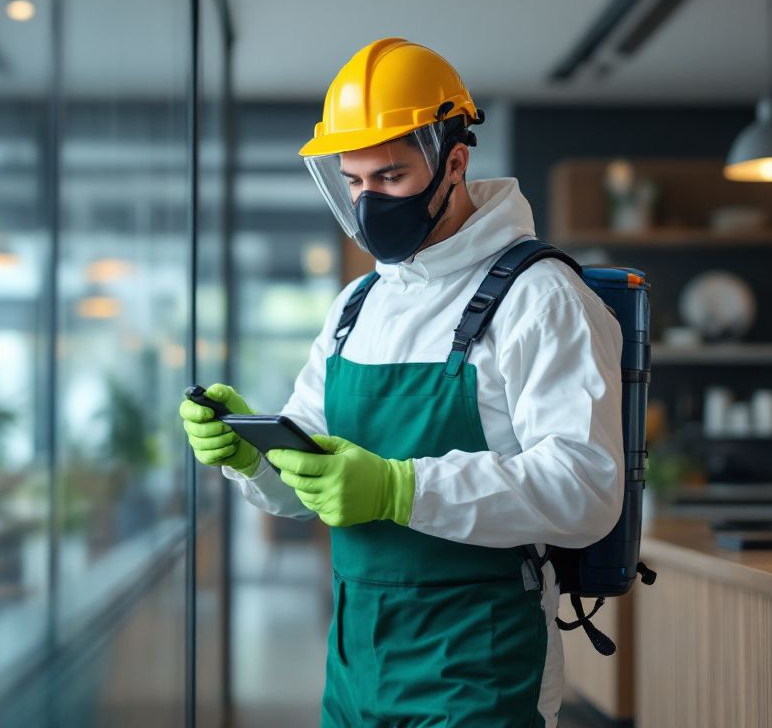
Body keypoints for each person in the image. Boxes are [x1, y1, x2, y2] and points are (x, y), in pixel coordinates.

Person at [180, 38, 624, 728]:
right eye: (353, 182)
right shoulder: (358, 305)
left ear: (455, 161)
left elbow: (586, 488)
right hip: (356, 663)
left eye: (388, 178)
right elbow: (315, 481)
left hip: (477, 667)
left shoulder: (541, 296)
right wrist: (252, 456)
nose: (368, 202)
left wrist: (399, 489)